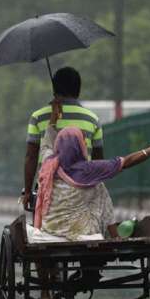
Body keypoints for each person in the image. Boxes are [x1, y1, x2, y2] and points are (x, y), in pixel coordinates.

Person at [32, 101, 150, 299]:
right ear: (80, 146)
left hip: (50, 230)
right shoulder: (91, 169)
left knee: (97, 189)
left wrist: (53, 119)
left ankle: (46, 292)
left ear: (59, 147)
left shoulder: (48, 163)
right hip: (83, 233)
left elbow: (46, 142)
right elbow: (128, 161)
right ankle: (112, 236)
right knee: (99, 188)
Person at [23, 66, 103, 210]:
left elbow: (31, 156)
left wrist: (27, 192)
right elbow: (98, 160)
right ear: (78, 90)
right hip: (82, 190)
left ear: (54, 89)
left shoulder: (38, 117)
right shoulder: (92, 119)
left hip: (48, 191)